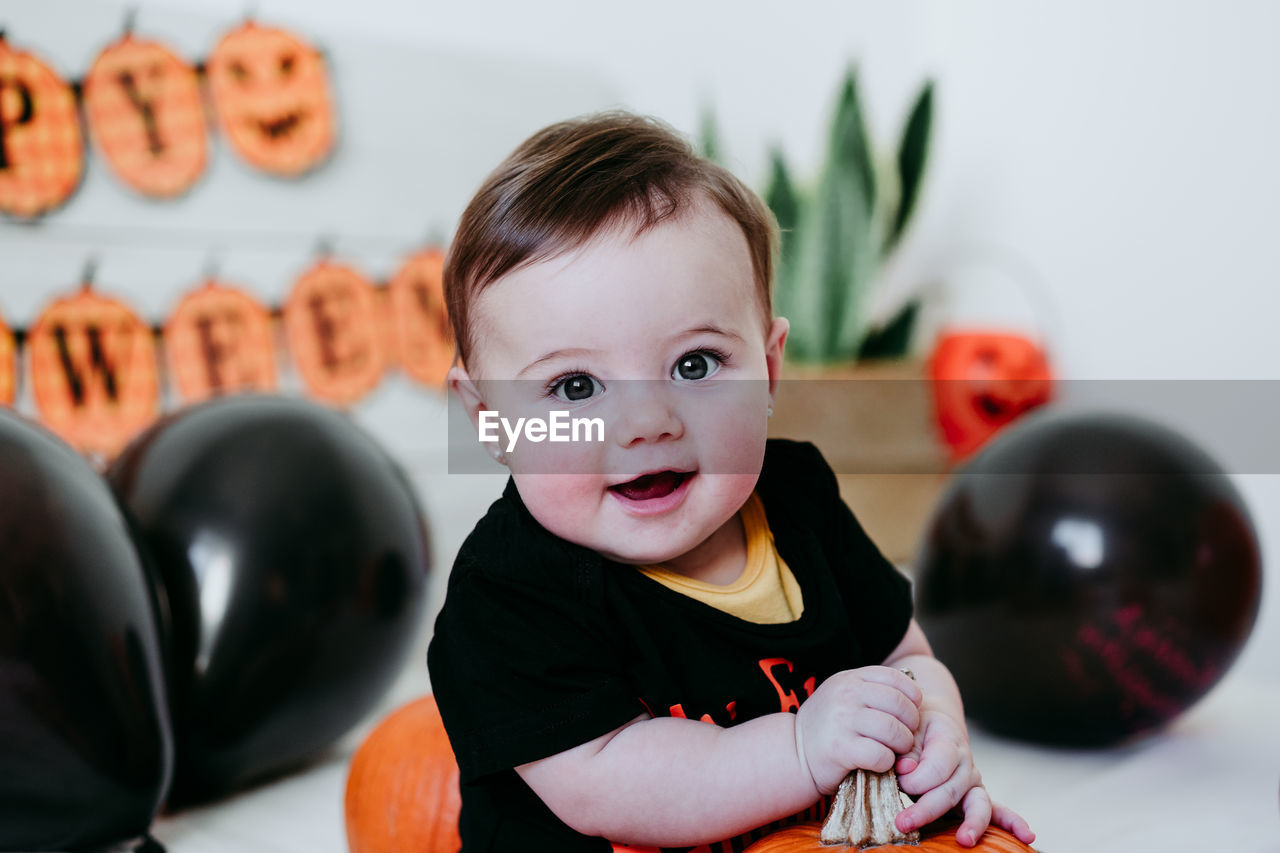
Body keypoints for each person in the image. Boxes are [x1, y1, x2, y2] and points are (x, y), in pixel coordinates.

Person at [427, 111, 1035, 852]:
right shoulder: (509, 593)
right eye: (576, 385)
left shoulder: (798, 497)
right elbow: (607, 780)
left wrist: (934, 731)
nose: (646, 422)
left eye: (695, 365)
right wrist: (802, 748)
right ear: (489, 419)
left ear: (770, 370)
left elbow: (902, 655)